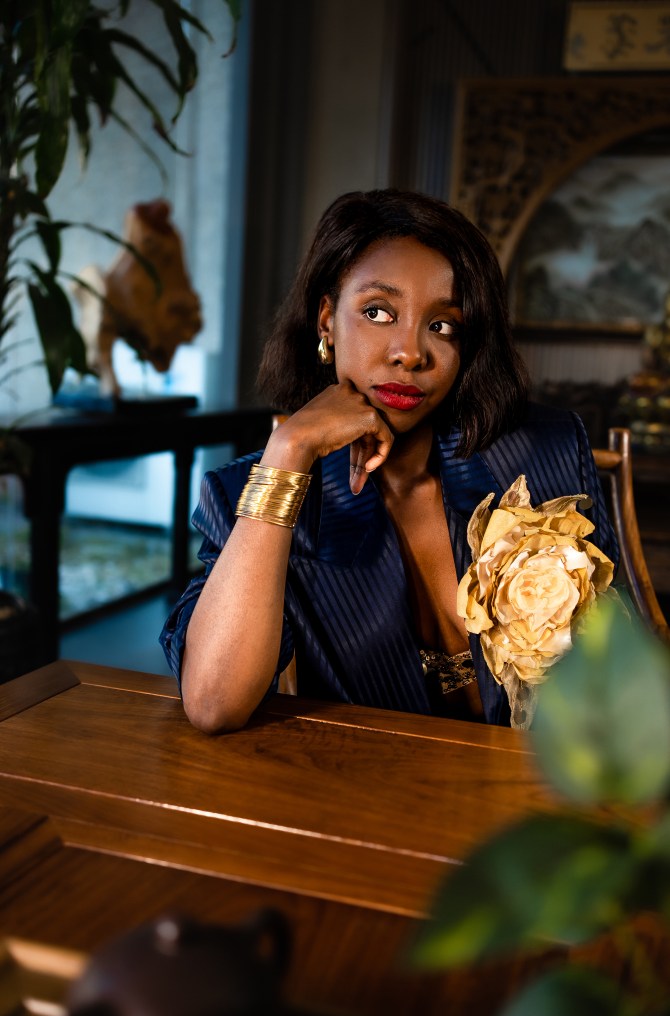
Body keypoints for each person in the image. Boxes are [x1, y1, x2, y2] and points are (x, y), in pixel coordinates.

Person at [160, 188, 618, 732]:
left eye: (443, 325)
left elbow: (617, 664)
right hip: (376, 780)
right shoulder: (249, 493)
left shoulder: (541, 450)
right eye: (378, 312)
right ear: (326, 321)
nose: (410, 353)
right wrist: (288, 451)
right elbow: (214, 703)